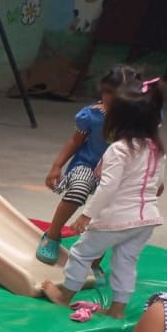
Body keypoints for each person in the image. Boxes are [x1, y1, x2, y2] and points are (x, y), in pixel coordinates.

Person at [39, 72, 163, 321]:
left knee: (81, 253)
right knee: (125, 262)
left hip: (116, 218)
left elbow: (107, 186)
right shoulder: (156, 148)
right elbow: (157, 183)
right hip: (147, 219)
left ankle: (64, 296)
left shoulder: (119, 149)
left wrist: (87, 215)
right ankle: (117, 310)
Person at [36, 67, 125, 265]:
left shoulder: (135, 119)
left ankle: (95, 259)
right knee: (78, 189)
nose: (111, 98)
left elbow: (148, 147)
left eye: (118, 94)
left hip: (117, 172)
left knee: (110, 210)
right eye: (107, 92)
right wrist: (57, 166)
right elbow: (75, 141)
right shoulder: (91, 115)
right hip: (87, 163)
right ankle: (52, 235)